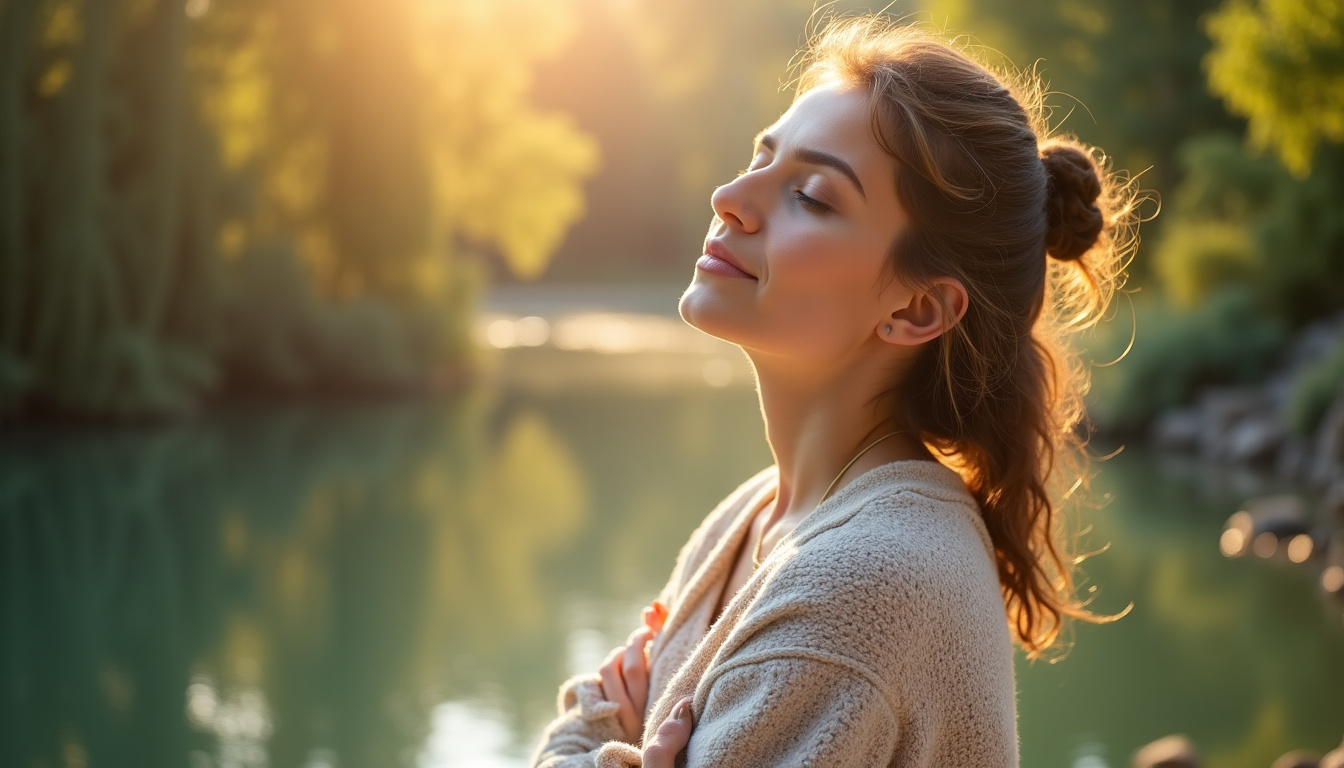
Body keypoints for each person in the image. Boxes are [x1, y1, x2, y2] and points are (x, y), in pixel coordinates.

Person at [532, 14, 1137, 768]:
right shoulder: (759, 514)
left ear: (917, 309)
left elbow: (607, 725)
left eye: (810, 196)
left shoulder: (866, 583)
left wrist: (585, 735)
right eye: (761, 155)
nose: (730, 196)